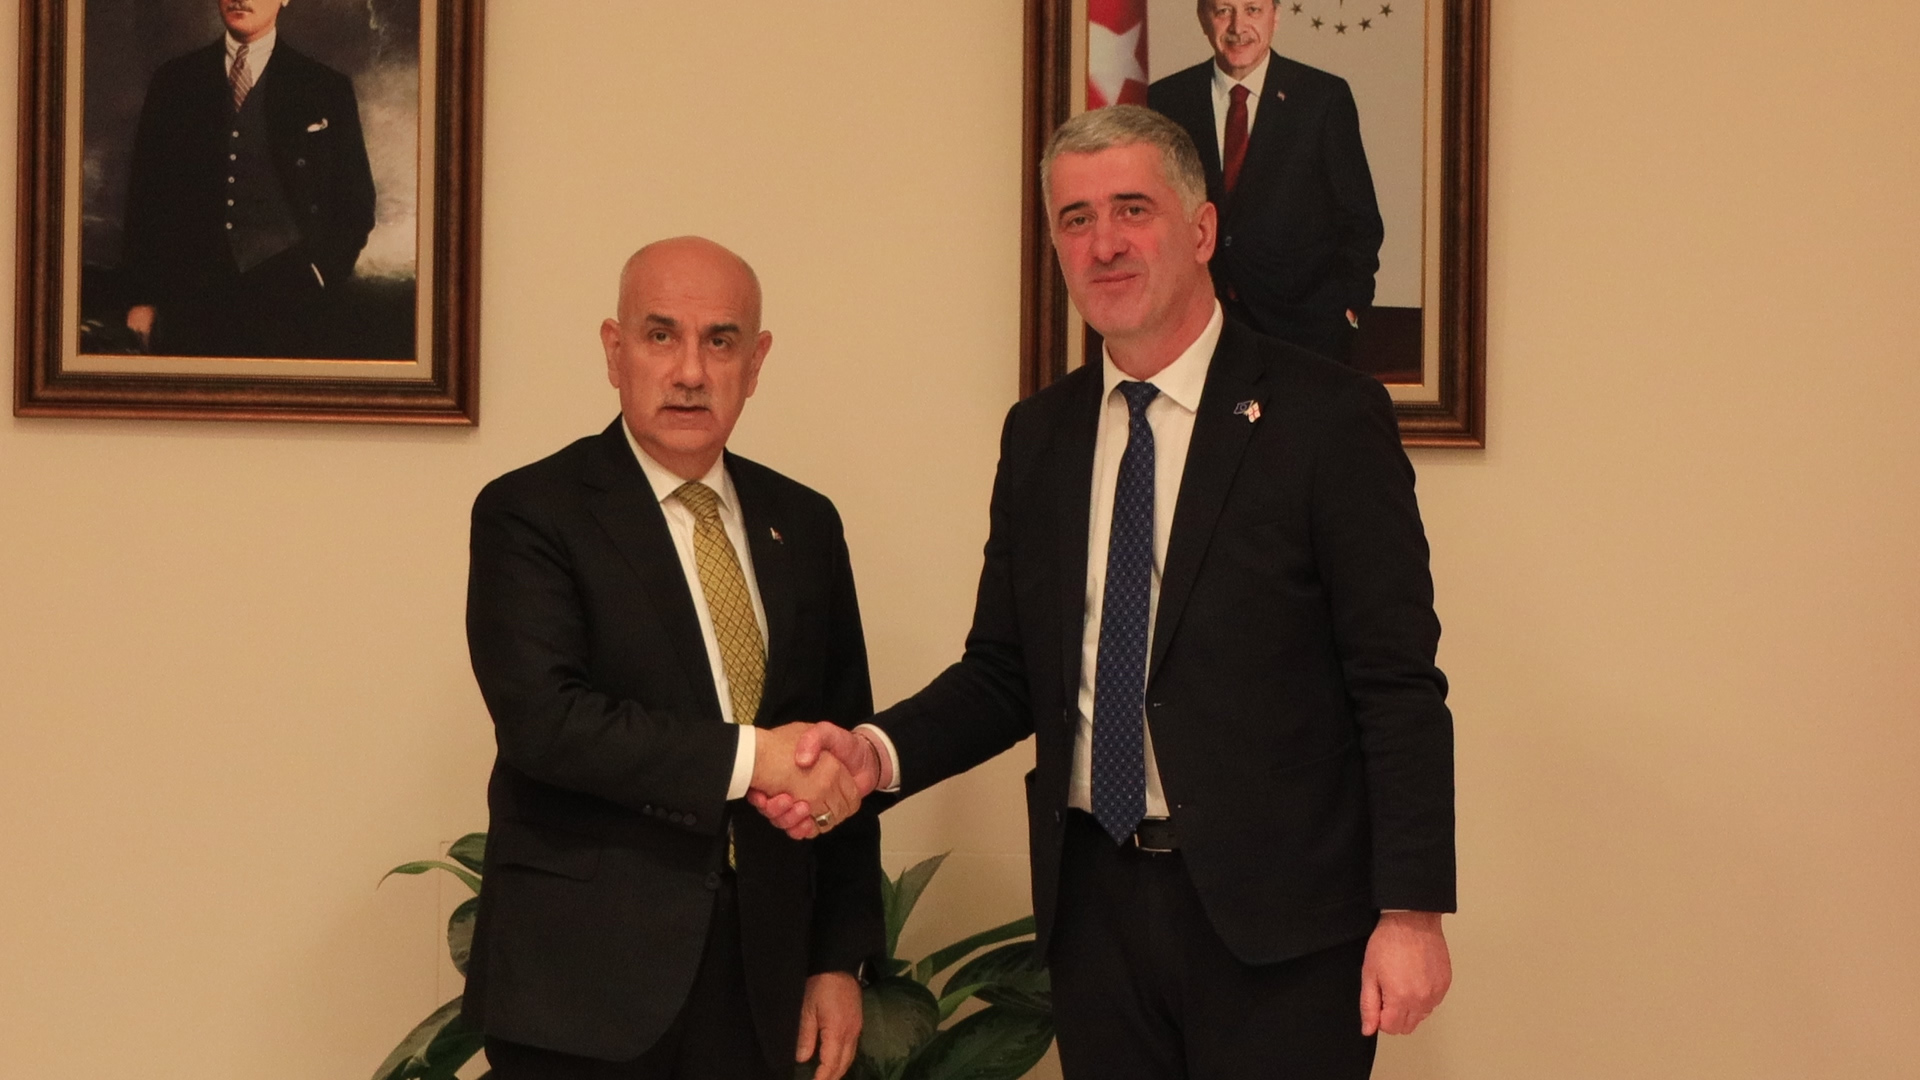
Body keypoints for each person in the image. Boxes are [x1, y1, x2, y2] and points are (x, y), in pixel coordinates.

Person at [756, 107, 1453, 1079]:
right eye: (1076, 219)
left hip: (1282, 926)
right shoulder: (1040, 435)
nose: (1105, 242)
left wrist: (1411, 912)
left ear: (1201, 230)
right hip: (1097, 914)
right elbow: (1005, 671)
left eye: (1133, 209)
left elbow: (1395, 680)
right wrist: (875, 754)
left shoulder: (1325, 417)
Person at [463, 238, 882, 1080]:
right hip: (583, 991)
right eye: (662, 337)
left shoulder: (805, 523)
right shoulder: (530, 512)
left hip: (760, 984)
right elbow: (548, 723)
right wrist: (754, 756)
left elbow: (839, 742)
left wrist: (837, 958)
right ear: (614, 351)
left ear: (755, 364)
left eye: (720, 341)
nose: (691, 372)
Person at [119, 0, 376, 357]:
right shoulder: (174, 81)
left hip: (290, 298)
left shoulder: (325, 87)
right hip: (190, 298)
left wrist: (321, 272)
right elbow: (145, 198)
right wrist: (142, 297)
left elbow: (356, 200)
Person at [1147, 0, 1384, 364]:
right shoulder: (1166, 100)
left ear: (1276, 16)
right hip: (1196, 332)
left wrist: (1346, 306)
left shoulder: (1322, 98)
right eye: (1224, 10)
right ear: (1203, 18)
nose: (1237, 27)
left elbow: (1360, 220)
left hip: (1303, 334)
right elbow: (1152, 214)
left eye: (1253, 10)